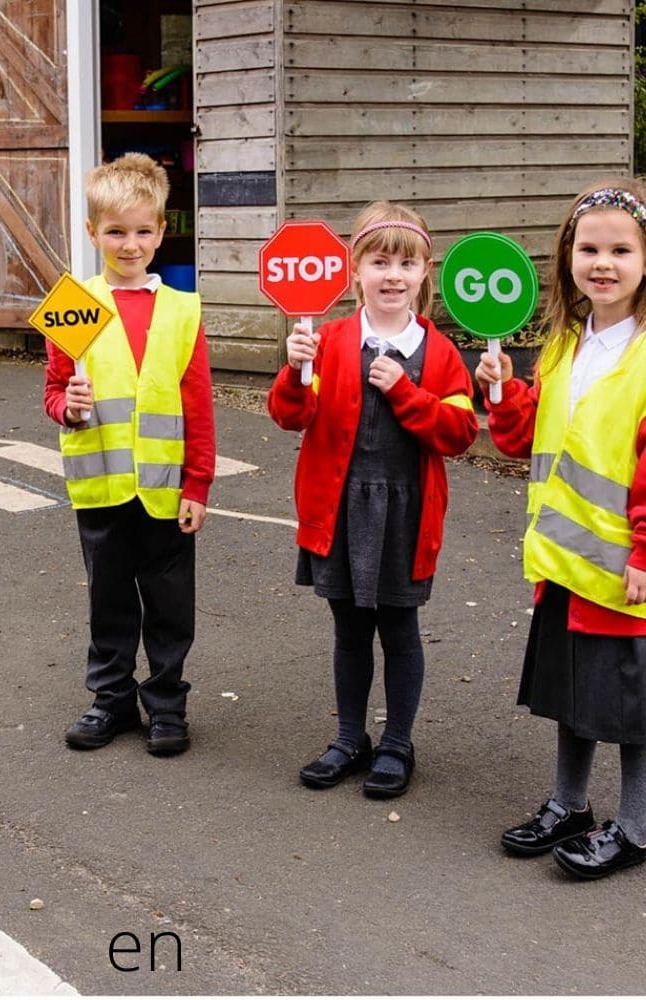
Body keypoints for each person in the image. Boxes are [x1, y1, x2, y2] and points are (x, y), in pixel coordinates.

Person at [268, 201, 478, 798]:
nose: (392, 275)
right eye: (379, 261)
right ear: (354, 269)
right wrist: (294, 371)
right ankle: (349, 737)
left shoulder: (436, 352)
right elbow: (290, 417)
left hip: (405, 513)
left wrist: (408, 393)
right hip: (338, 508)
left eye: (405, 263)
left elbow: (460, 434)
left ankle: (397, 743)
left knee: (400, 627)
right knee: (349, 629)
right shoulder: (327, 339)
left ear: (424, 272)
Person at [477, 179, 646, 879]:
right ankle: (569, 804)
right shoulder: (561, 345)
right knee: (572, 697)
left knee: (633, 710)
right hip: (563, 567)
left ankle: (636, 827)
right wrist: (499, 389)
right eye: (589, 247)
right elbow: (522, 439)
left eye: (621, 249)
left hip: (624, 573)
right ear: (568, 256)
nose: (602, 262)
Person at [43, 152, 215, 756]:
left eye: (143, 230)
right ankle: (110, 700)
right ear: (93, 233)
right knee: (109, 601)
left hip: (166, 492)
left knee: (170, 606)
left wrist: (198, 485)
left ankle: (166, 704)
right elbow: (53, 392)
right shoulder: (75, 305)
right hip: (102, 489)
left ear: (162, 232)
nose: (129, 243)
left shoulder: (182, 310)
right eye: (115, 231)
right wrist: (70, 403)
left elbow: (198, 407)